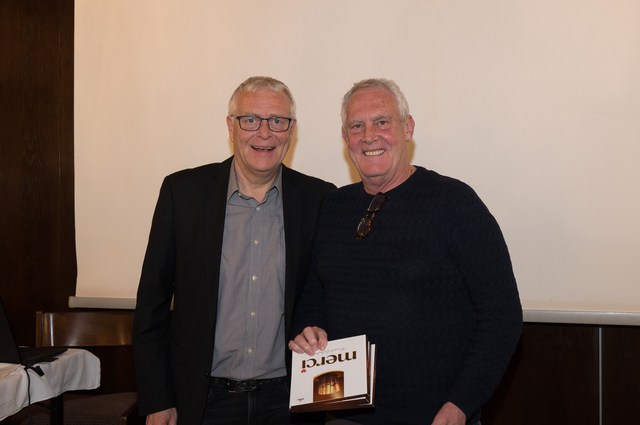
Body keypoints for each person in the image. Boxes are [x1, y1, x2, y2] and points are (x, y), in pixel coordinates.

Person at [289, 78, 522, 425]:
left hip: (435, 418)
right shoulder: (334, 206)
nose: (369, 136)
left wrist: (461, 405)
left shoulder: (454, 203)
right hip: (343, 413)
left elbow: (502, 316)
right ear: (345, 137)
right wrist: (310, 327)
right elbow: (315, 293)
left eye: (382, 122)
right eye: (357, 126)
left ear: (407, 128)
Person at [133, 76, 335, 425]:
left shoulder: (320, 199)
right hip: (202, 400)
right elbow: (152, 303)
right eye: (250, 119)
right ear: (231, 126)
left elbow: (325, 290)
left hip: (288, 400)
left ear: (291, 129)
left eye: (277, 121)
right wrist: (157, 399)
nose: (264, 133)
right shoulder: (183, 193)